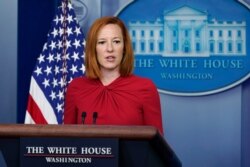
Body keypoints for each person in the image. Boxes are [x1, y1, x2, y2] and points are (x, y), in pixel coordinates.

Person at [64, 16, 163, 134]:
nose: (110, 49)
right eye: (102, 42)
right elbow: (68, 143)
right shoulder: (76, 88)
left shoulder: (146, 88)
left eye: (116, 41)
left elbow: (156, 146)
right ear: (93, 48)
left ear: (124, 48)